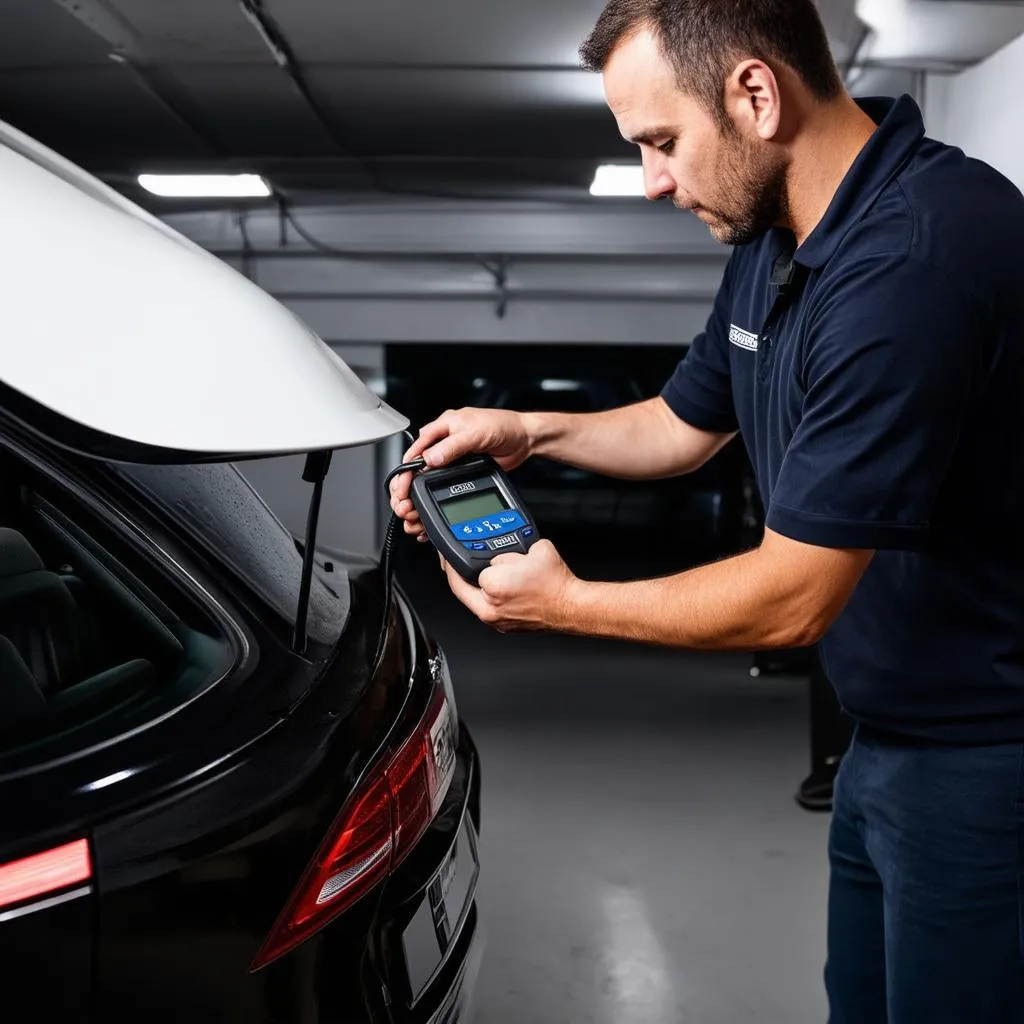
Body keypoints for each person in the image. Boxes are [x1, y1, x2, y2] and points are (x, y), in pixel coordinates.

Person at [389, 1, 1024, 1019]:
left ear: (755, 95)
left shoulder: (915, 263)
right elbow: (683, 426)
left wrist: (563, 602)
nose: (652, 180)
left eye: (661, 142)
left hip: (988, 761)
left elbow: (790, 599)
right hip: (886, 740)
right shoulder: (775, 234)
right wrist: (525, 430)